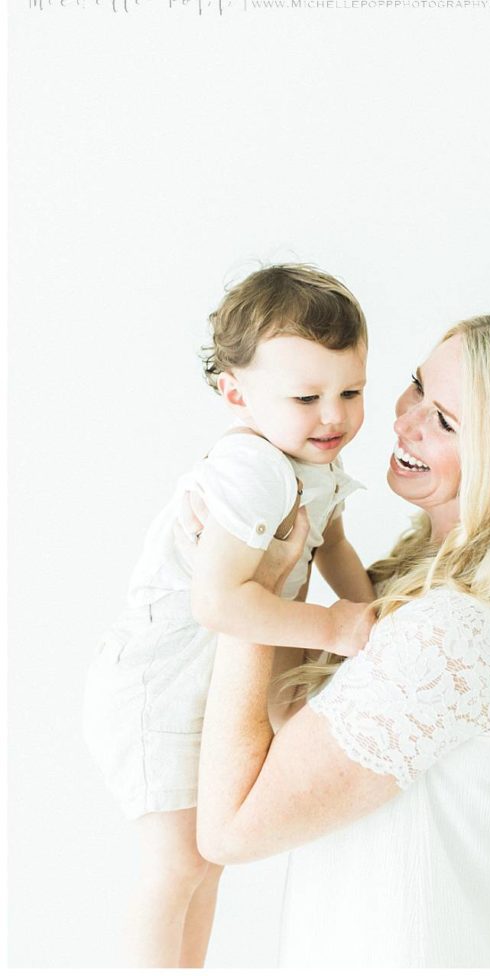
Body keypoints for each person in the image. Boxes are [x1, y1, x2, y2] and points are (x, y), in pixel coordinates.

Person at [196, 313, 490, 968]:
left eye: (445, 421)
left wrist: (242, 594)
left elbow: (230, 828)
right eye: (416, 385)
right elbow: (294, 721)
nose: (403, 419)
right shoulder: (444, 586)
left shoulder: (452, 630)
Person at [81, 264, 376, 967]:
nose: (333, 416)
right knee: (176, 864)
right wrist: (337, 629)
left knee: (206, 860)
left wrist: (370, 609)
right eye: (307, 396)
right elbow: (220, 603)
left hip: (207, 683)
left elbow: (332, 542)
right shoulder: (253, 469)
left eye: (352, 391)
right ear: (236, 394)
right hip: (160, 682)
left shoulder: (313, 460)